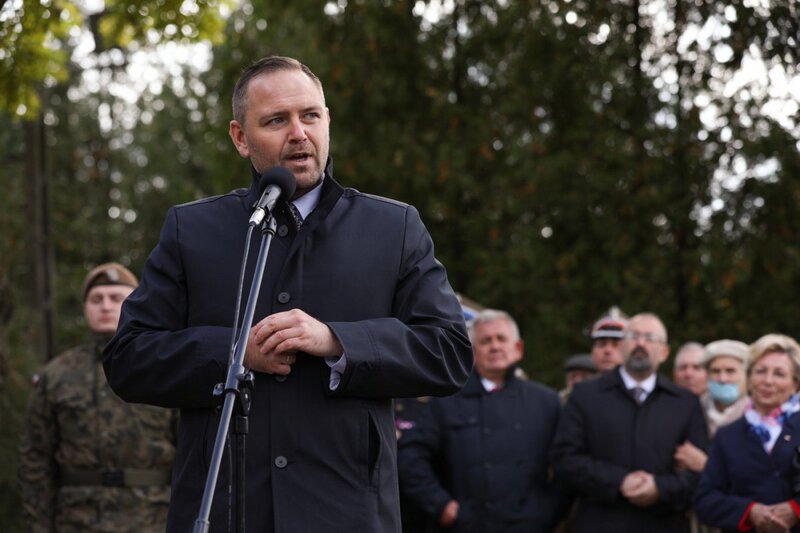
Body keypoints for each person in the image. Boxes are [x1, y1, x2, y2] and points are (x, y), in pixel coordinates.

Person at [102, 56, 473, 533]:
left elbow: (449, 351)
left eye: (310, 116)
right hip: (226, 513)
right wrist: (235, 354)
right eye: (276, 120)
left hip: (348, 514)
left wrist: (339, 342)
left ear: (327, 121)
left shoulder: (393, 227)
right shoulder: (191, 229)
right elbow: (128, 358)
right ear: (240, 137)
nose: (298, 133)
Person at [18, 263, 178, 533]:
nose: (105, 306)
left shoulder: (163, 365)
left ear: (136, 301)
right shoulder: (55, 375)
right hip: (76, 520)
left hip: (153, 519)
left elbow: (192, 449)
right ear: (85, 308)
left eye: (116, 298)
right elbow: (36, 458)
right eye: (96, 299)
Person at [397, 309, 568, 532]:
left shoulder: (547, 402)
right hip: (467, 526)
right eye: (486, 341)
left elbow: (566, 464)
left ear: (518, 349)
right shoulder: (446, 402)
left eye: (501, 339)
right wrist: (442, 506)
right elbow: (410, 457)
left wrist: (546, 514)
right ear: (473, 352)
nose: (495, 346)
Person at [551, 312, 709, 532]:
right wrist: (619, 482)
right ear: (622, 347)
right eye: (633, 336)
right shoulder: (586, 396)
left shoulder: (685, 403)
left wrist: (659, 488)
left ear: (664, 352)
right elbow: (565, 459)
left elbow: (700, 473)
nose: (640, 343)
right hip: (600, 523)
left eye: (650, 338)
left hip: (664, 524)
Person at [694, 334, 800, 533]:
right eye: (760, 371)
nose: (768, 381)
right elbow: (705, 500)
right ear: (749, 377)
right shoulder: (728, 436)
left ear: (795, 384)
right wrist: (750, 512)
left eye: (779, 374)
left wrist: (796, 510)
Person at [674, 339, 749, 474]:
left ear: (746, 375)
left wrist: (705, 465)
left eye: (730, 371)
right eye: (716, 371)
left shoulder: (755, 415)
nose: (722, 378)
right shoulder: (692, 409)